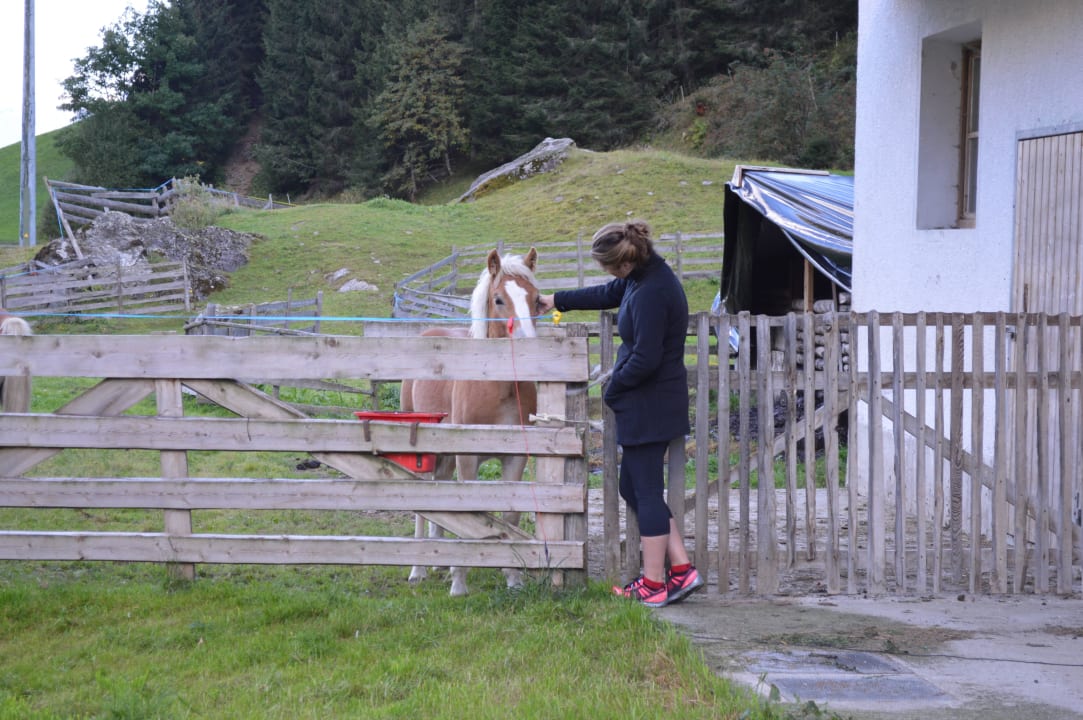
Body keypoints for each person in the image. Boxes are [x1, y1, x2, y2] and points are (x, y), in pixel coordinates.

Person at [538, 220, 704, 607]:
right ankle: (681, 569)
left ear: (625, 263)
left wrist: (612, 389)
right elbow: (608, 293)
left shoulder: (652, 291)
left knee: (645, 491)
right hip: (648, 402)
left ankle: (654, 584)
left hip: (651, 404)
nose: (610, 275)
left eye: (610, 268)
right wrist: (556, 299)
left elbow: (645, 358)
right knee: (633, 486)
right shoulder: (640, 278)